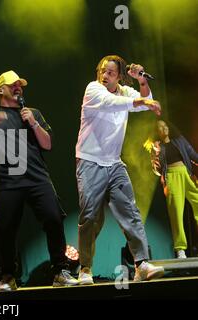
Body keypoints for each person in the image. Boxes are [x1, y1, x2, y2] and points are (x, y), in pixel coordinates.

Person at [0, 70, 79, 290]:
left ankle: (60, 270)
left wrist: (34, 123)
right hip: (6, 182)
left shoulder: (33, 113)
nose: (18, 87)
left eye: (20, 85)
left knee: (54, 218)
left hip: (37, 178)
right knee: (5, 229)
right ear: (1, 90)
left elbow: (48, 145)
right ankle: (8, 275)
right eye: (13, 85)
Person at [75, 55, 165, 284]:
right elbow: (112, 103)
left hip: (114, 163)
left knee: (130, 212)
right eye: (103, 71)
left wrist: (142, 81)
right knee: (90, 217)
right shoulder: (93, 89)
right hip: (89, 161)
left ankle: (141, 264)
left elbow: (147, 99)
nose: (105, 75)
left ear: (120, 77)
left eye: (111, 73)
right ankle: (85, 268)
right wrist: (142, 103)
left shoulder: (125, 91)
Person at [151, 119, 198, 258]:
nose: (164, 128)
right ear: (157, 132)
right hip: (171, 177)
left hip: (186, 174)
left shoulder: (180, 140)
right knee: (176, 214)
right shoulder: (157, 147)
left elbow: (193, 155)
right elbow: (157, 170)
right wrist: (155, 155)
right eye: (160, 127)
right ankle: (180, 248)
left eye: (165, 125)